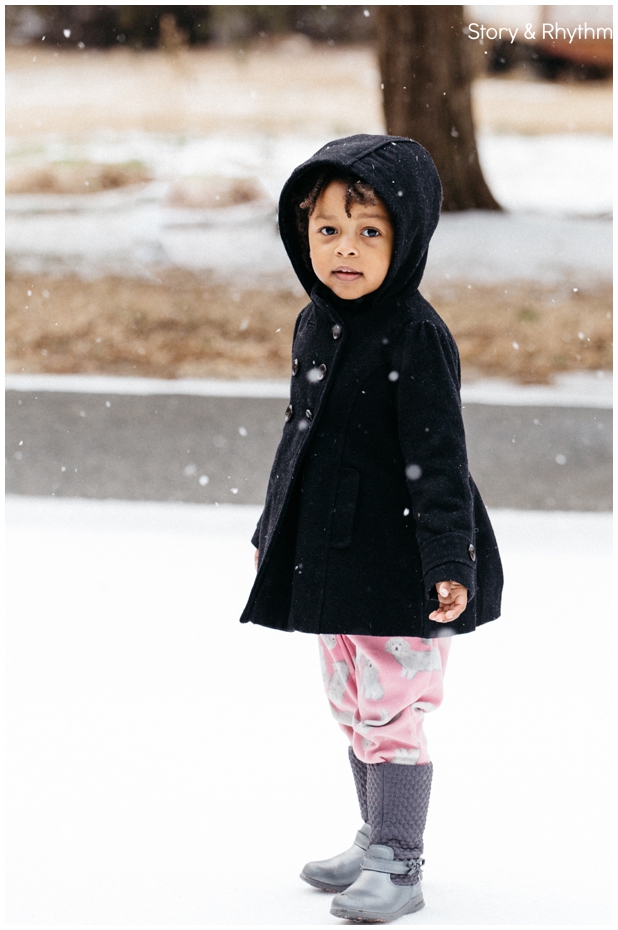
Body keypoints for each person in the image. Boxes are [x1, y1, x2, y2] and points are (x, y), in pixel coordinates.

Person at [239, 134, 503, 922]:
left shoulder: (416, 338)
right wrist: (272, 526)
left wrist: (446, 562)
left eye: (369, 232)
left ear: (407, 238)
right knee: (353, 703)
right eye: (327, 230)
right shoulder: (315, 323)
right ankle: (374, 835)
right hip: (334, 553)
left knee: (394, 712)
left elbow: (440, 460)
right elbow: (300, 434)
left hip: (401, 562)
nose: (344, 251)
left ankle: (399, 859)